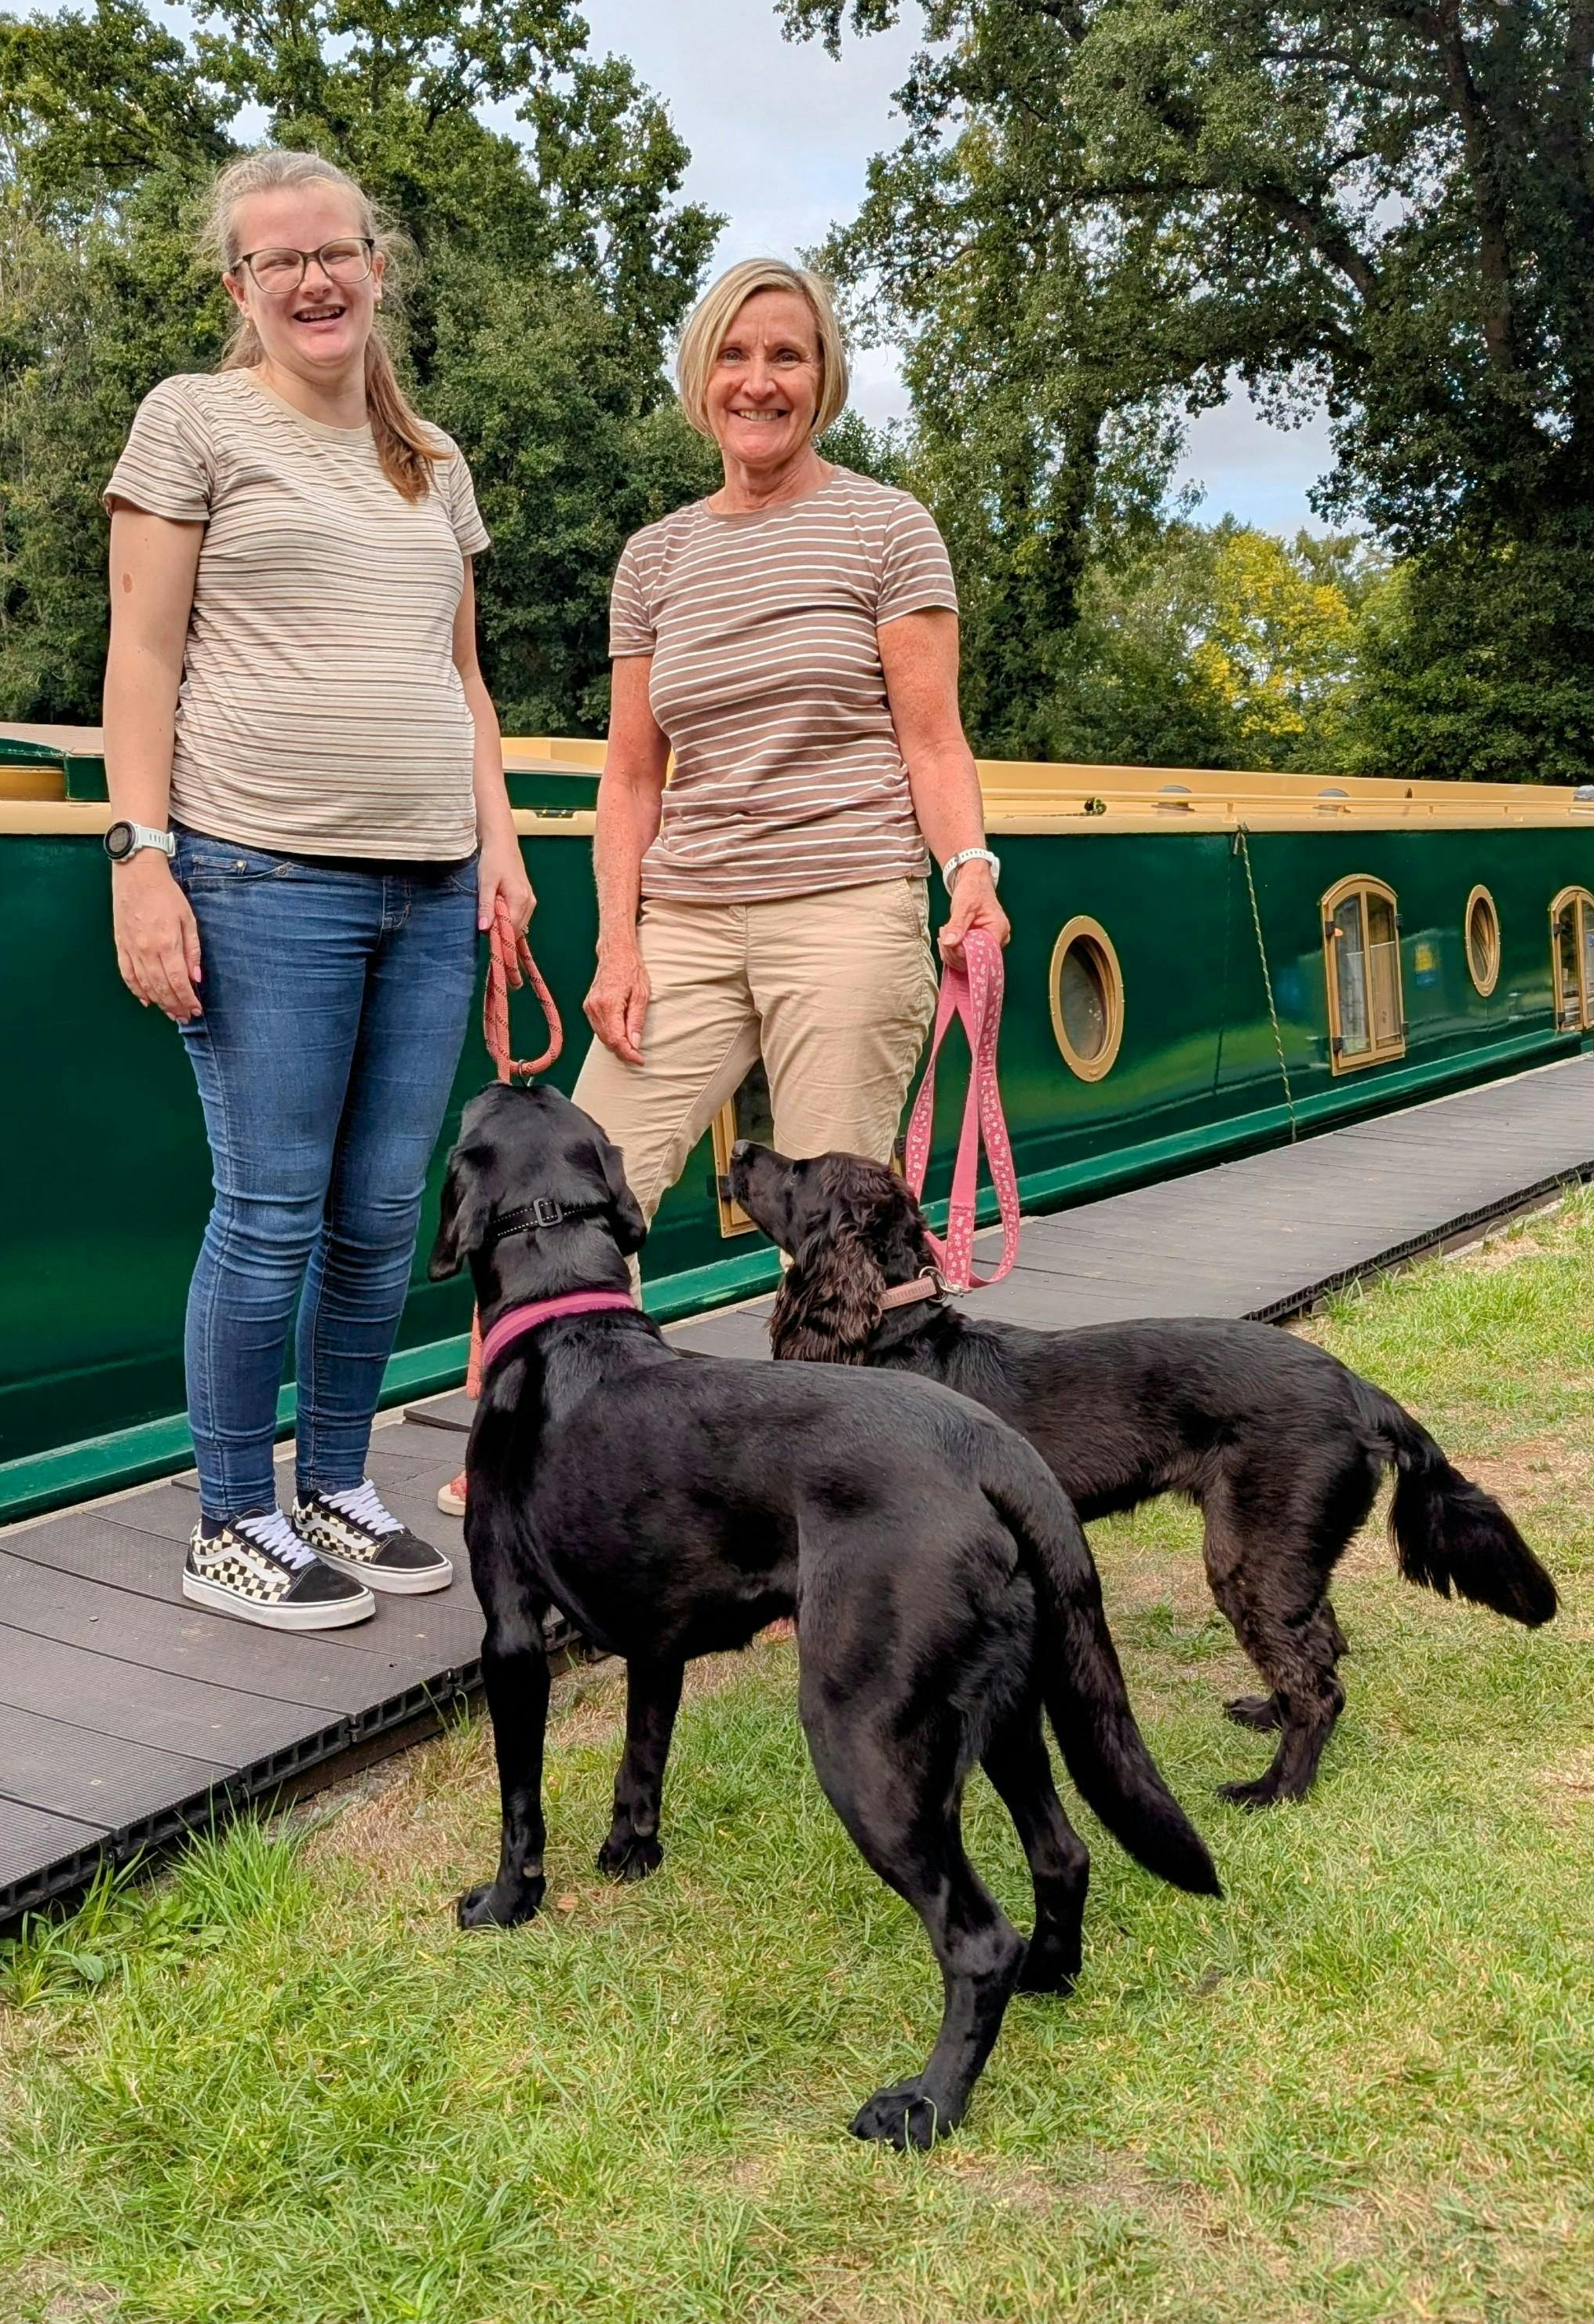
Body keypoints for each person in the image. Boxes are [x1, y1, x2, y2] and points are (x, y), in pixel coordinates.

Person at [101, 147, 535, 1630]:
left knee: (373, 1214)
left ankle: (337, 1483)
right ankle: (230, 1515)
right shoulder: (193, 422)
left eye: (334, 250)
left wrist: (503, 847)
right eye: (277, 259)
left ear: (378, 262)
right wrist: (139, 859)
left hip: (428, 893)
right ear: (240, 285)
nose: (312, 278)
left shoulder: (434, 459)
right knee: (271, 1208)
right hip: (257, 873)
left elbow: (464, 678)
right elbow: (141, 659)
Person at [574, 254, 1012, 1220]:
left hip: (844, 911)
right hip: (684, 918)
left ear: (823, 379)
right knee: (576, 1200)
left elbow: (933, 743)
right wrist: (617, 944)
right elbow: (630, 777)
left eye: (786, 356)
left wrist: (969, 874)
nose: (758, 381)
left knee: (833, 1243)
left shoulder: (887, 528)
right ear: (700, 377)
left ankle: (845, 1380)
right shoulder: (653, 558)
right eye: (733, 354)